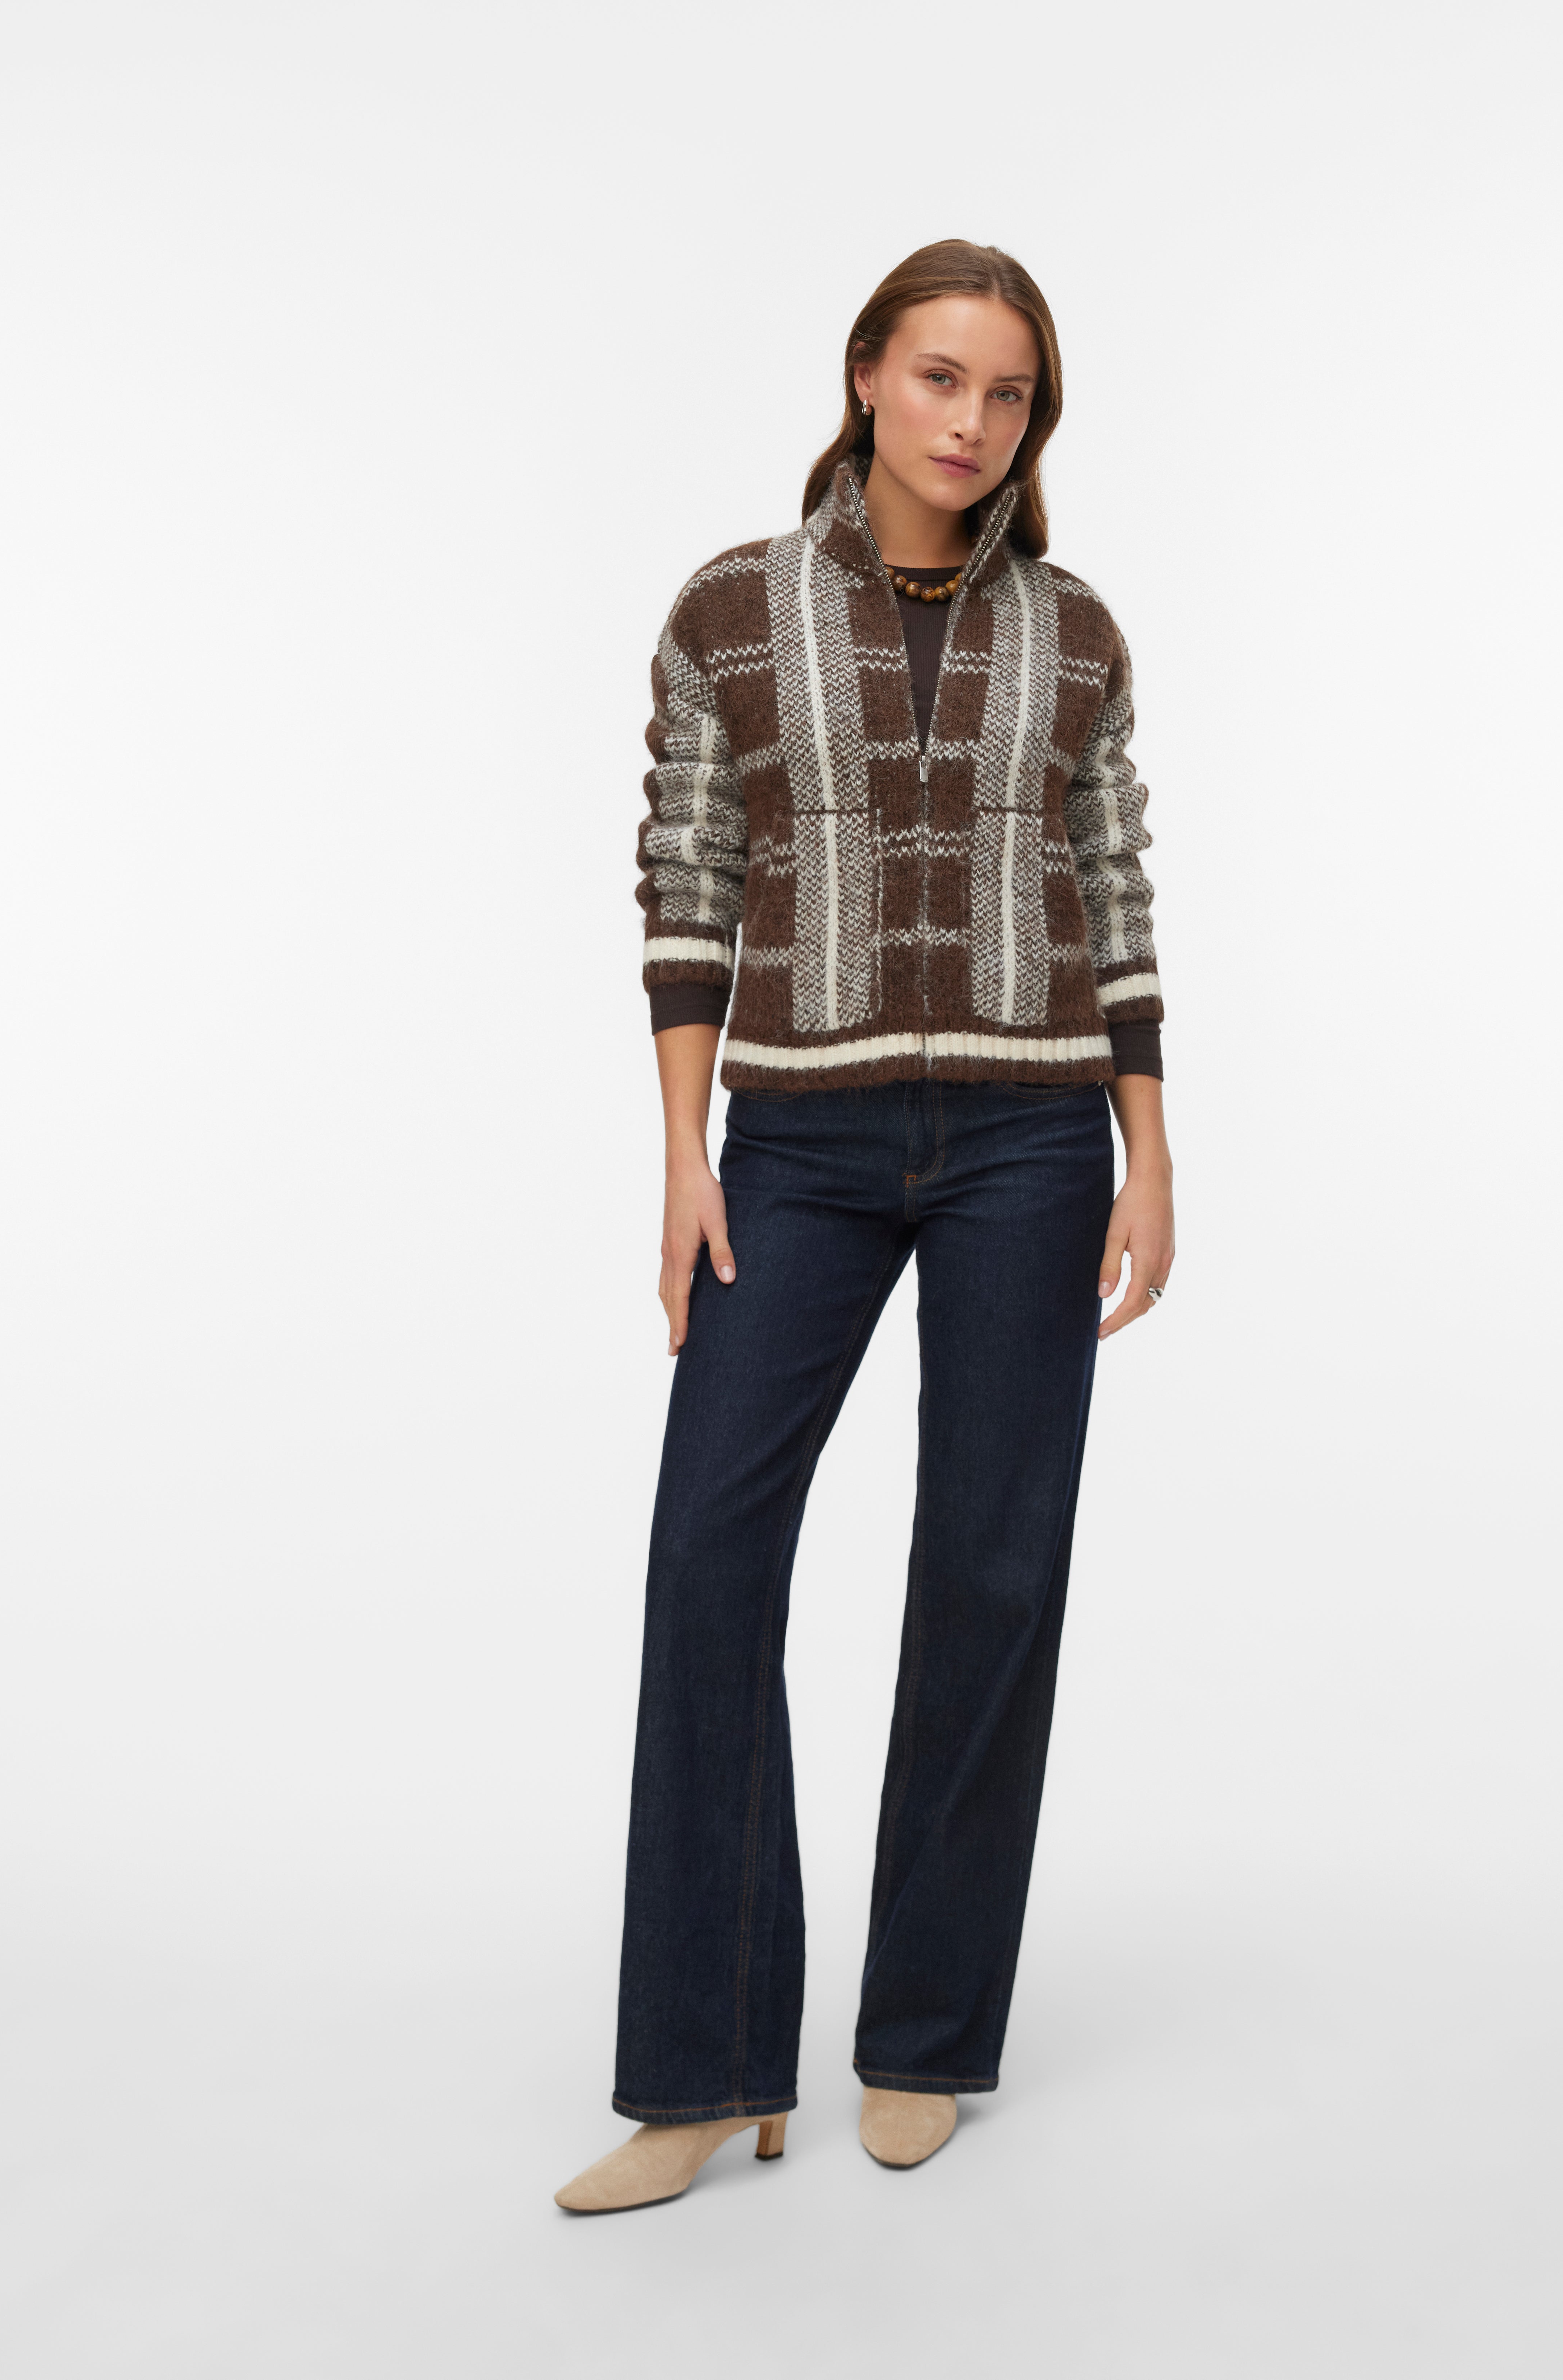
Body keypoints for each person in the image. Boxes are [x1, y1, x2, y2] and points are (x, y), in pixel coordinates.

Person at [557, 239, 1174, 2214]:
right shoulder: (730, 610)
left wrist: (1149, 1148)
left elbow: (1113, 884)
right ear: (865, 378)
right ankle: (701, 2066)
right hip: (798, 1145)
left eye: (1009, 396)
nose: (971, 423)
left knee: (992, 1565)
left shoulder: (1077, 634)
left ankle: (924, 2033)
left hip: (1032, 1139)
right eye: (940, 378)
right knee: (709, 1554)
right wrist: (685, 1157)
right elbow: (687, 874)